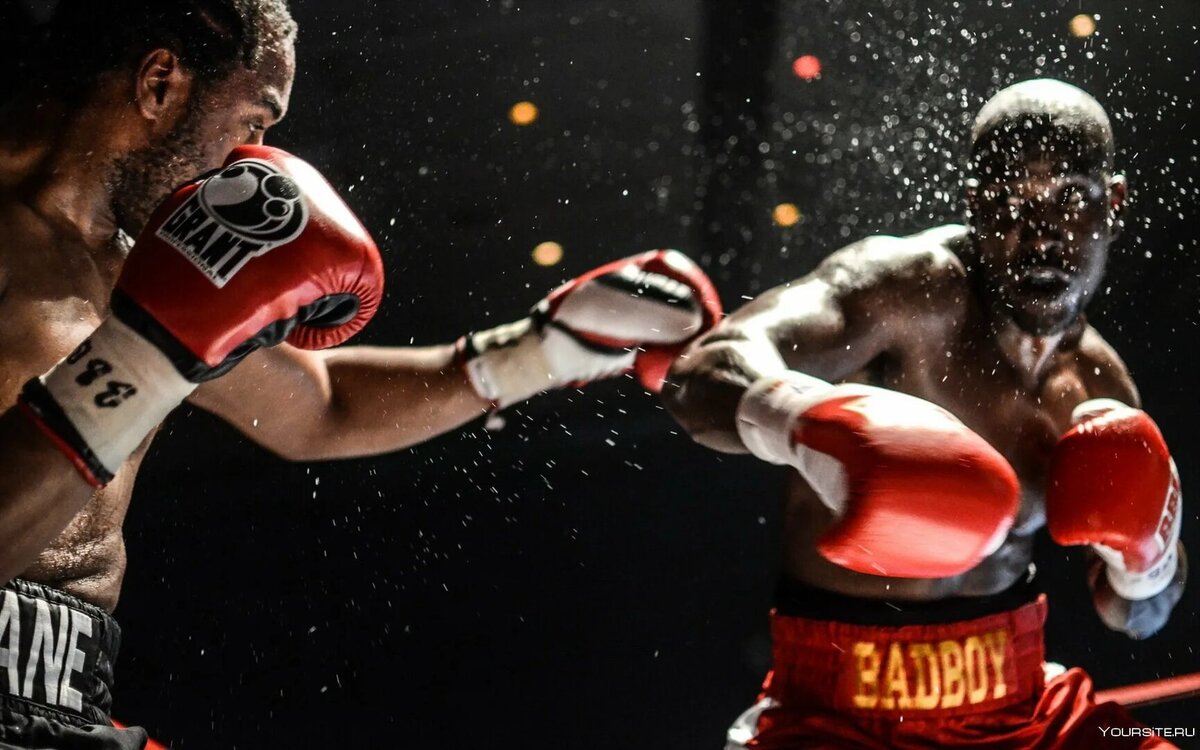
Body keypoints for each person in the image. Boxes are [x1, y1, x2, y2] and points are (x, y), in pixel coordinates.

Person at [0, 1, 722, 747]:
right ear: (160, 83)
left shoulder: (141, 268)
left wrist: (542, 349)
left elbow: (322, 406)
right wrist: (143, 357)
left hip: (72, 700)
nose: (252, 156)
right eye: (253, 120)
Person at [663, 78, 1186, 749]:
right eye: (1009, 201)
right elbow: (702, 370)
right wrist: (805, 422)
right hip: (839, 713)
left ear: (1112, 204)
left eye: (1070, 198)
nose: (1041, 237)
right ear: (974, 207)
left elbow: (1140, 618)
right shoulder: (907, 293)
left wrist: (1148, 562)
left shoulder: (1097, 386)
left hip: (1019, 704)